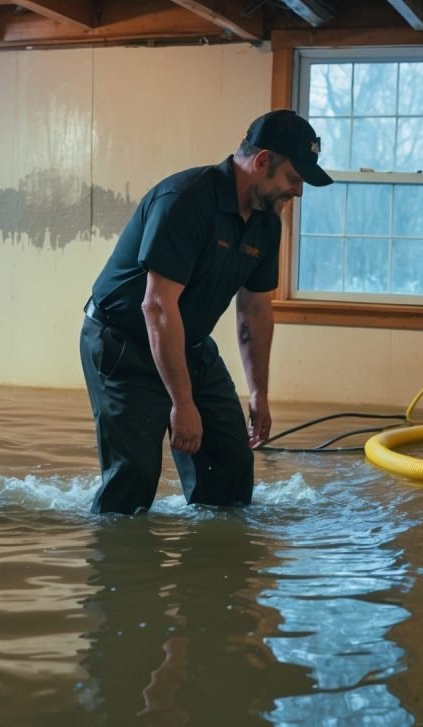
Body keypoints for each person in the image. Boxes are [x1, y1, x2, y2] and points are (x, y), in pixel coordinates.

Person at [78, 110, 334, 514]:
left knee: (230, 470)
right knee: (134, 481)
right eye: (294, 178)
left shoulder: (267, 222)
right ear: (262, 161)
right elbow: (157, 307)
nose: (298, 192)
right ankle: (117, 548)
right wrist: (182, 403)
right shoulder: (185, 200)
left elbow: (255, 311)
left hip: (189, 342)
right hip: (123, 343)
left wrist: (259, 393)